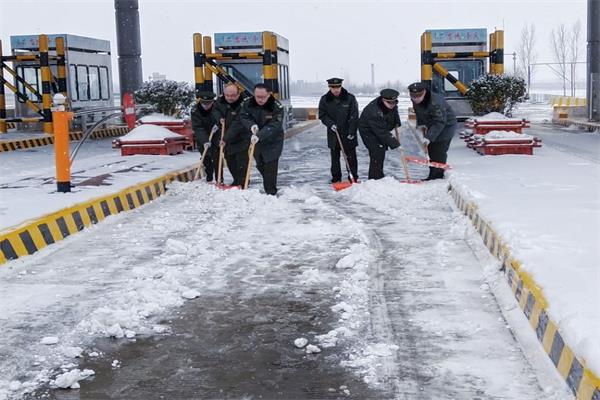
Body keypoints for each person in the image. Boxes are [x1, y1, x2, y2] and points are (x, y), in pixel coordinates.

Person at [240, 83, 284, 195]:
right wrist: (251, 125)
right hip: (256, 141)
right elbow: (244, 116)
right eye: (257, 96)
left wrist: (259, 135)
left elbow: (274, 125)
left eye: (263, 97)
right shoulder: (248, 103)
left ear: (269, 94)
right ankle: (268, 184)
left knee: (270, 165)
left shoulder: (276, 106)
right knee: (260, 164)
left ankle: (271, 192)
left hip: (273, 141)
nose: (260, 100)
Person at [408, 81, 457, 180]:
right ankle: (432, 174)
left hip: (446, 126)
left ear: (424, 92)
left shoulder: (435, 102)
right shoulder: (416, 100)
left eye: (418, 96)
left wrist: (428, 137)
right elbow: (419, 114)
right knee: (430, 150)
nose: (416, 99)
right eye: (413, 96)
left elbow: (440, 122)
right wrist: (420, 128)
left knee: (438, 151)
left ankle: (437, 176)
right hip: (432, 125)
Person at [318, 77, 359, 183]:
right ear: (329, 87)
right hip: (334, 133)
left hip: (348, 132)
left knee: (351, 157)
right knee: (335, 158)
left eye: (338, 87)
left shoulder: (350, 98)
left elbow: (354, 116)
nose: (336, 90)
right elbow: (322, 115)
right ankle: (336, 178)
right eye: (333, 87)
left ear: (341, 86)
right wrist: (330, 124)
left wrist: (352, 132)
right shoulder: (325, 99)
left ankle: (353, 177)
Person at [358, 88, 401, 180]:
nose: (392, 105)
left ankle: (379, 176)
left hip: (380, 128)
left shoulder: (391, 104)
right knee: (376, 152)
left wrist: (397, 122)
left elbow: (394, 113)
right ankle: (374, 179)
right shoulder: (374, 111)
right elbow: (382, 132)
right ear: (383, 100)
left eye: (394, 102)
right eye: (389, 103)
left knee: (381, 150)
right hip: (368, 131)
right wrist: (396, 144)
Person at [213, 83, 249, 186]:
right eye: (227, 95)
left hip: (241, 136)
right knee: (230, 160)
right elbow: (215, 110)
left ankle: (242, 182)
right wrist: (219, 117)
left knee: (241, 161)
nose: (229, 98)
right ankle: (236, 180)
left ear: (238, 94)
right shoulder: (219, 101)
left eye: (233, 95)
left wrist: (225, 138)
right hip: (226, 137)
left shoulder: (245, 104)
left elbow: (237, 124)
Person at [191, 91, 220, 183]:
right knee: (206, 156)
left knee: (217, 157)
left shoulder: (218, 107)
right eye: (204, 104)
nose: (206, 106)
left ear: (212, 102)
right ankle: (209, 177)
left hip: (216, 135)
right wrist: (205, 141)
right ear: (200, 102)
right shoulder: (195, 111)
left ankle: (219, 179)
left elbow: (223, 119)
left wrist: (218, 125)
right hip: (202, 136)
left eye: (209, 104)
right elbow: (198, 127)